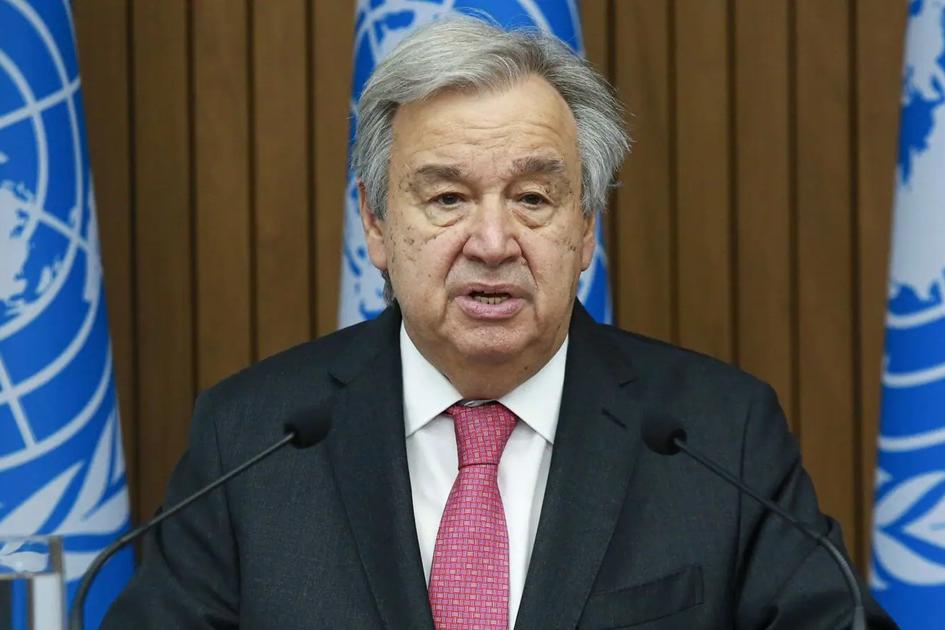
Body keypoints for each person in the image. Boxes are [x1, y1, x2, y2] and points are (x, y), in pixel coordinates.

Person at [104, 17, 896, 629]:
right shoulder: (252, 438)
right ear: (375, 224)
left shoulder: (717, 436)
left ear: (584, 228)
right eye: (447, 198)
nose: (491, 242)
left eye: (532, 198)